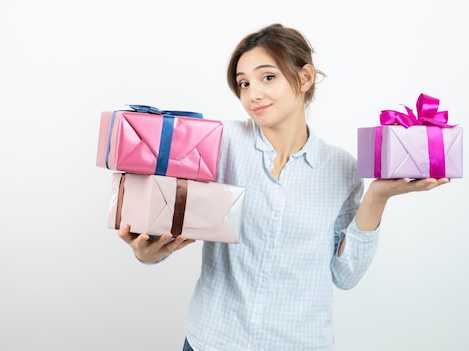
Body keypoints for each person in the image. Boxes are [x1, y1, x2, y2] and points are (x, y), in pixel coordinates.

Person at [117, 24, 450, 351]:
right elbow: (169, 216)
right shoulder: (219, 143)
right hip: (213, 340)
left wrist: (378, 195)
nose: (253, 94)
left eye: (268, 77)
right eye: (243, 83)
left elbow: (345, 275)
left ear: (304, 78)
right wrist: (147, 252)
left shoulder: (341, 168)